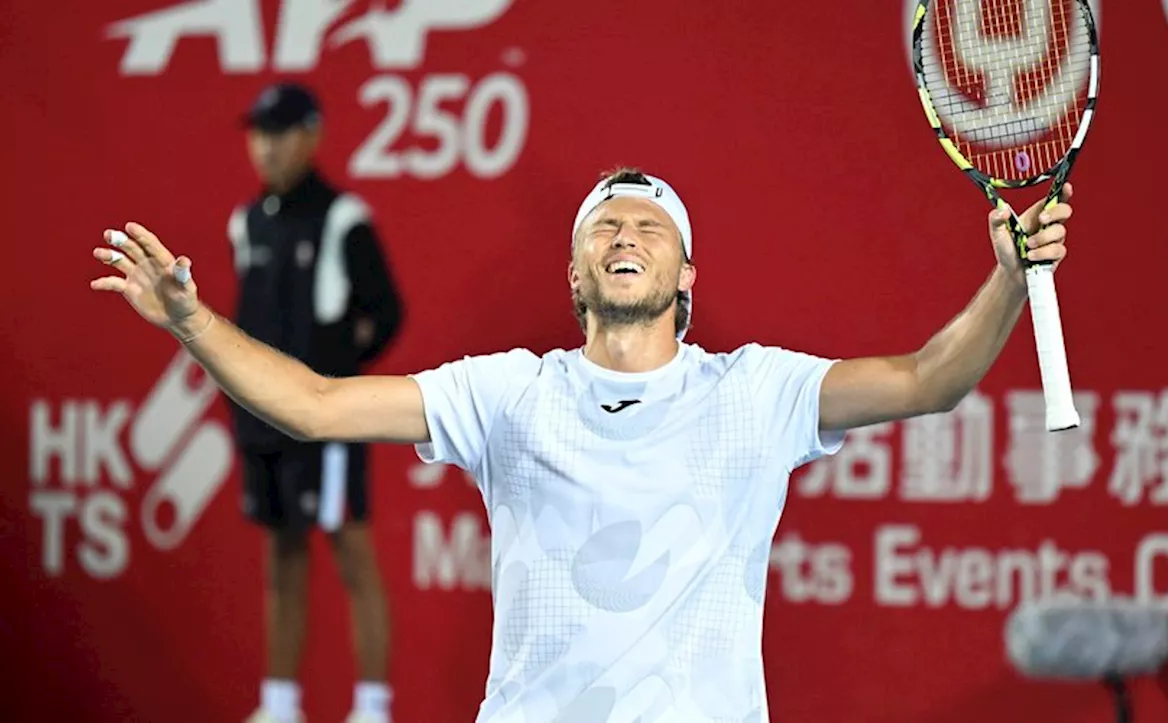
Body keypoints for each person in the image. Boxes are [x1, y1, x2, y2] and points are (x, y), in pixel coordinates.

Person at [90, 167, 1074, 722]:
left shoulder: (756, 392)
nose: (624, 233)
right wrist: (190, 321)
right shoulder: (508, 393)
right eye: (603, 224)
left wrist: (1004, 279)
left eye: (647, 223)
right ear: (575, 272)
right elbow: (309, 405)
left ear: (685, 271)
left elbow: (928, 380)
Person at [225, 82, 403, 723]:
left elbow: (385, 313)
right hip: (261, 423)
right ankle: (279, 705)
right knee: (281, 555)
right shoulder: (246, 223)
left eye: (279, 132)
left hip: (327, 424)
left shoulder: (343, 218)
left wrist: (335, 371)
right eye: (258, 133)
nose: (265, 147)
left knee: (351, 549)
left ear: (312, 135)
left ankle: (372, 707)